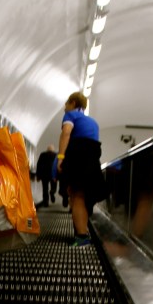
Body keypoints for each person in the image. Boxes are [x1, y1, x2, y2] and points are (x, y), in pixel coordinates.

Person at [56, 91, 106, 247]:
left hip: (78, 155)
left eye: (67, 103)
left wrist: (61, 157)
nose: (65, 106)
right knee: (84, 196)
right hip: (92, 158)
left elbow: (66, 133)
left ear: (73, 103)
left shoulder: (70, 116)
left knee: (76, 196)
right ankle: (83, 233)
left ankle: (82, 237)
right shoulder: (93, 122)